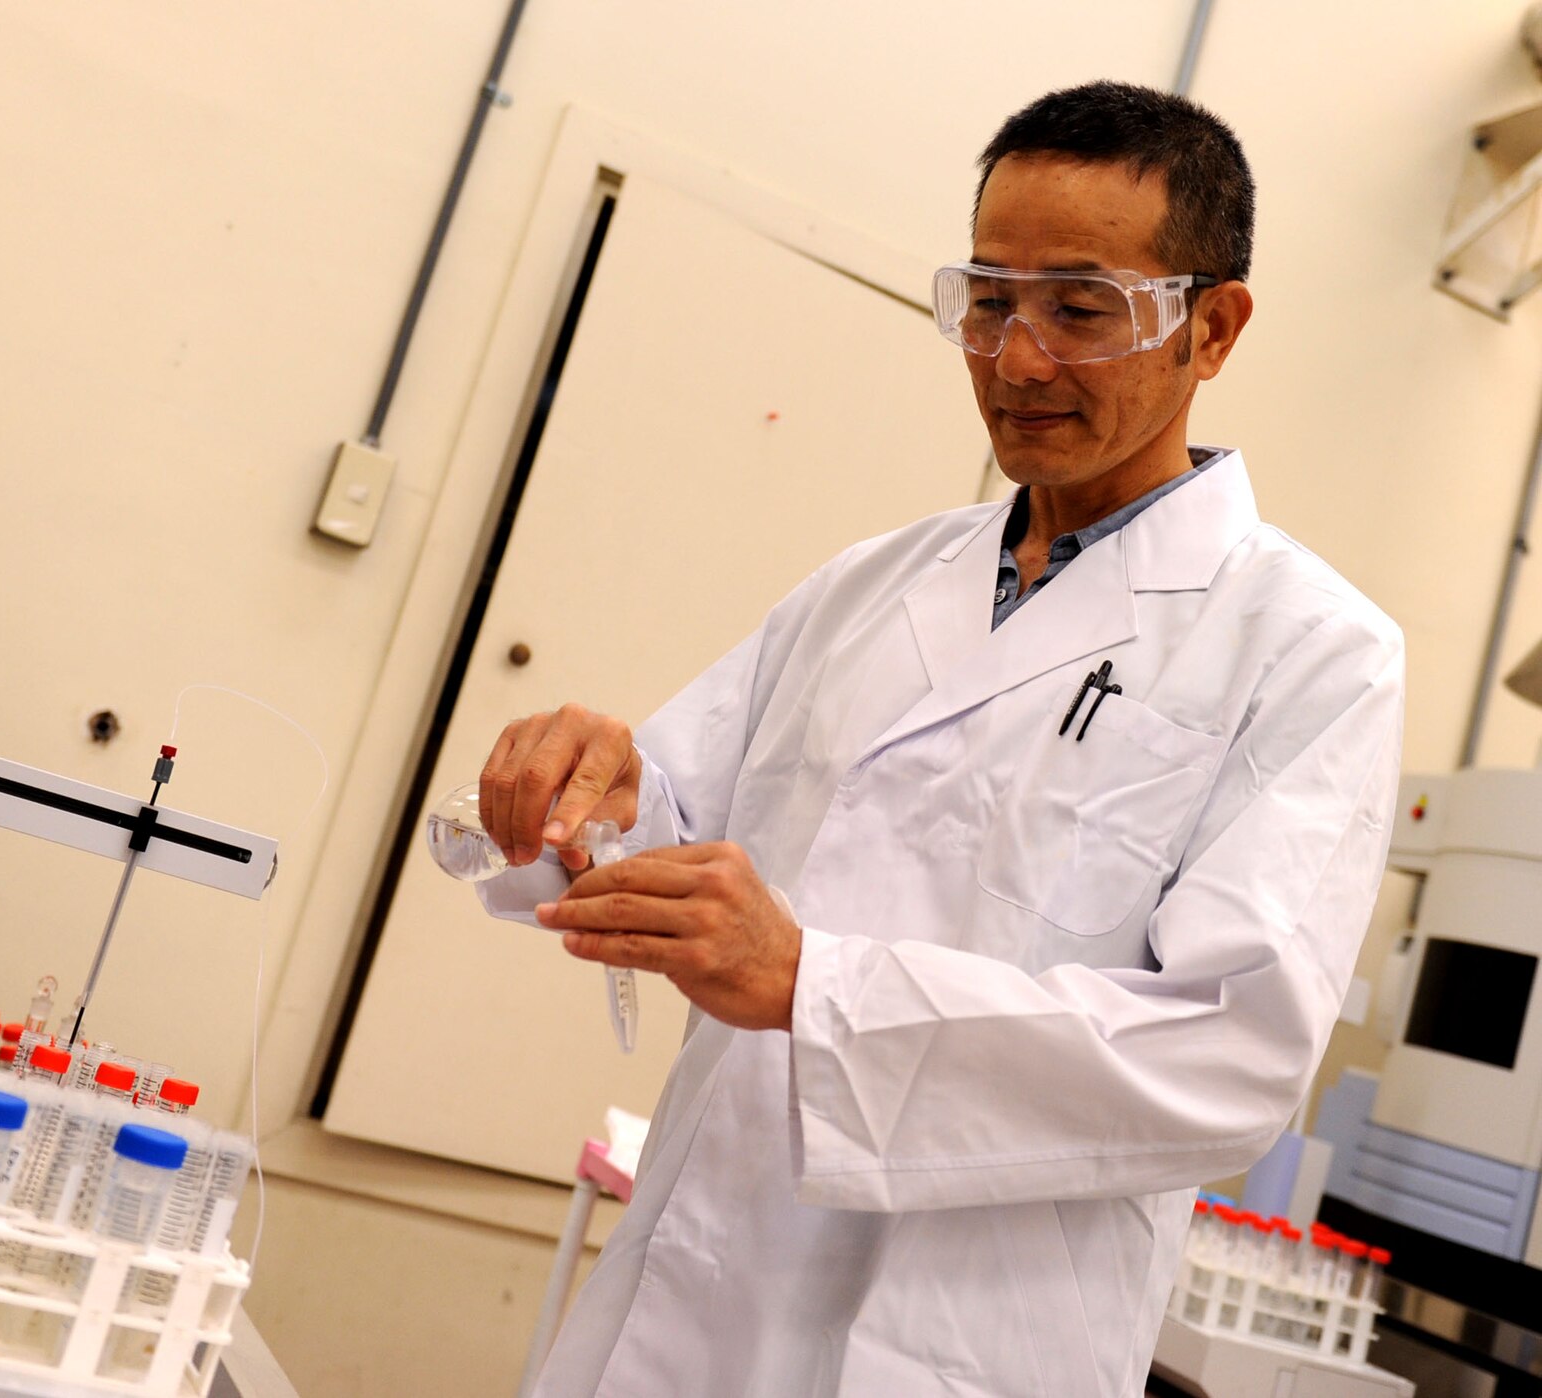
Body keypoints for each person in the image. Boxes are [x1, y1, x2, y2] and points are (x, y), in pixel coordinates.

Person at [473, 80, 1404, 1397]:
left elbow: (1228, 1050)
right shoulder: (876, 584)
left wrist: (816, 986)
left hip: (959, 1342)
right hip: (701, 1283)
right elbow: (683, 830)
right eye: (987, 301)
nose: (1017, 359)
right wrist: (596, 799)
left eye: (1081, 309)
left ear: (1214, 328)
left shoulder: (1309, 648)